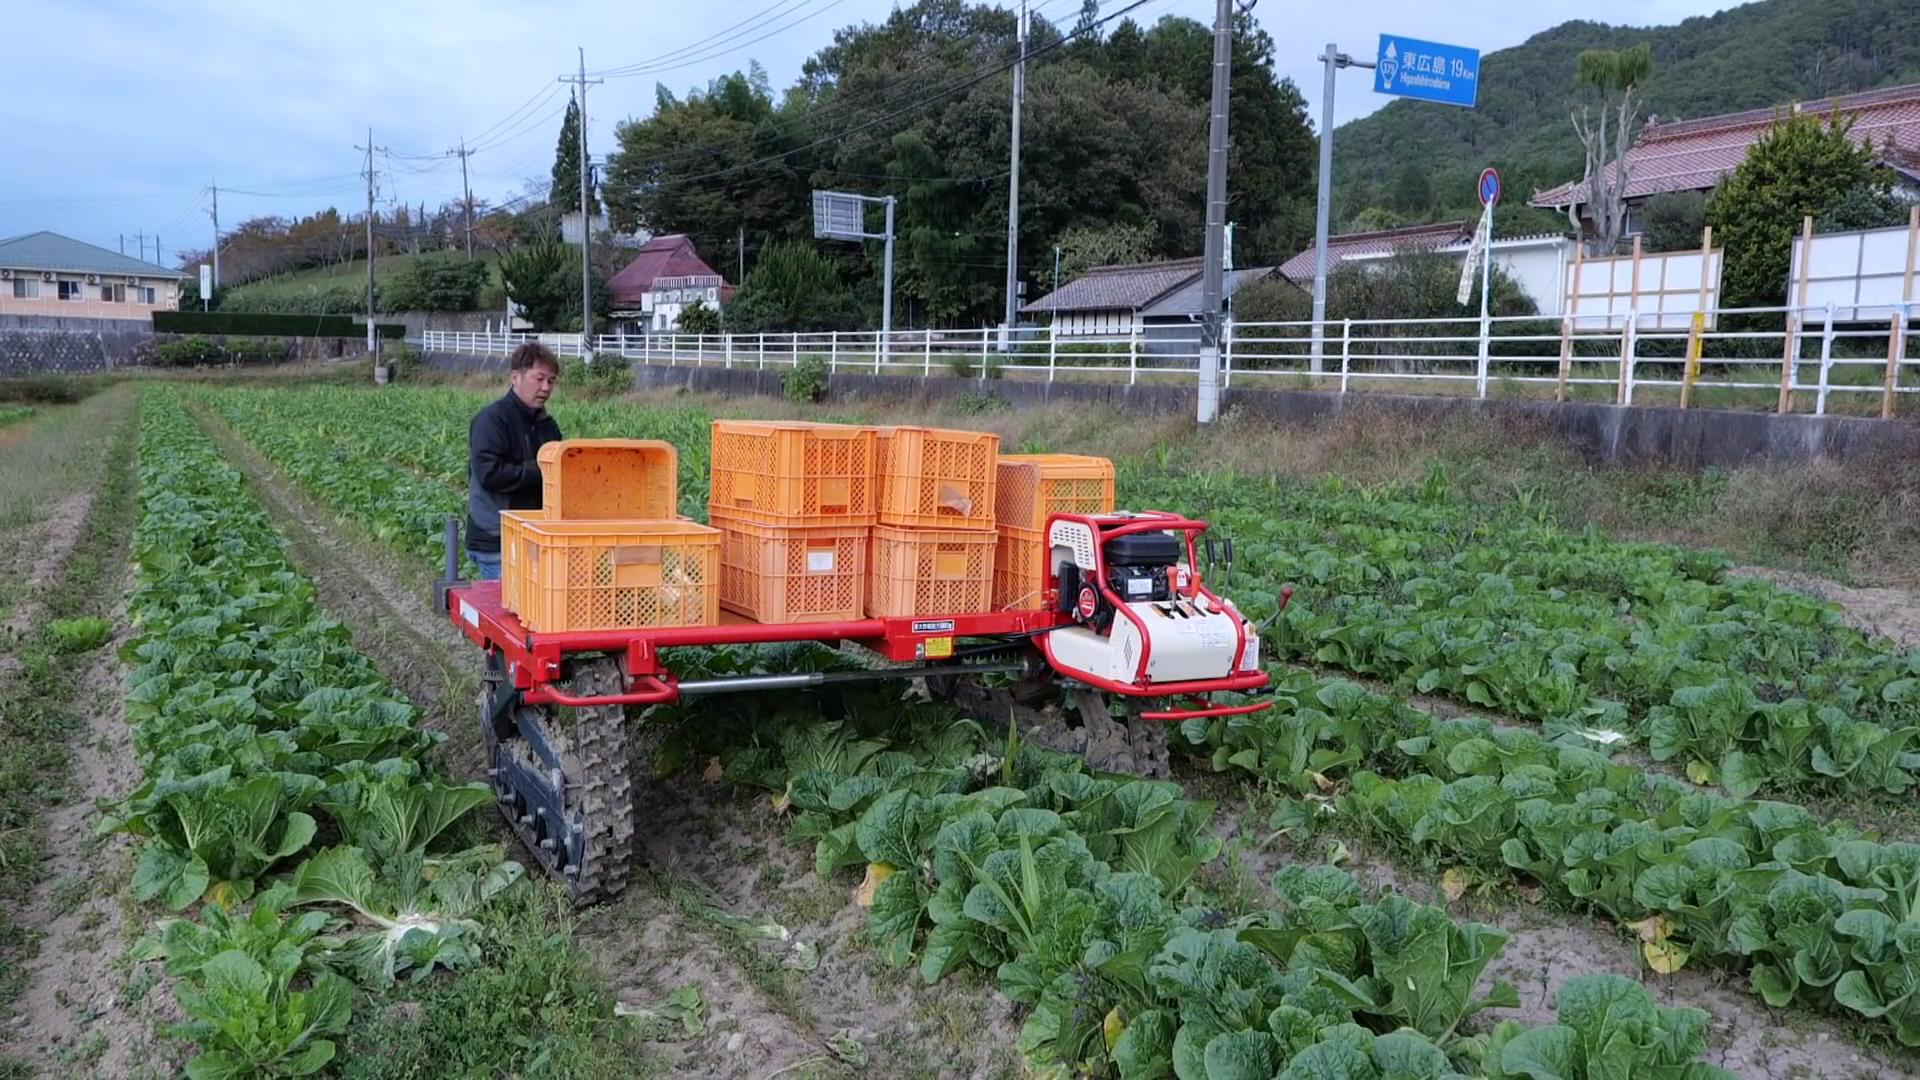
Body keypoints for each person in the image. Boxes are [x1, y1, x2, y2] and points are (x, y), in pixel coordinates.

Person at [466, 343, 563, 580]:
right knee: (511, 611)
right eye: (539, 378)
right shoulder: (492, 420)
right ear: (515, 378)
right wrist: (544, 471)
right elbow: (490, 474)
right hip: (496, 539)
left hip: (532, 535)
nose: (545, 387)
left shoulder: (547, 426)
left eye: (551, 381)